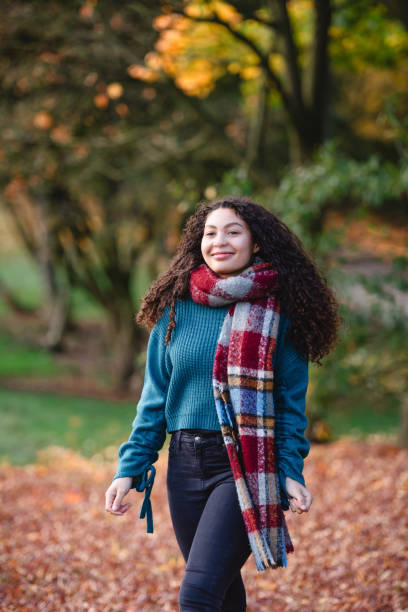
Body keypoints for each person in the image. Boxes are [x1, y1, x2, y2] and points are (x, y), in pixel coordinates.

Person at [105, 196, 341, 611]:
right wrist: (130, 468)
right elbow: (155, 400)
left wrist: (289, 471)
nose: (220, 241)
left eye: (233, 231)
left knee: (196, 595)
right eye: (210, 232)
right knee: (222, 593)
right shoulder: (174, 308)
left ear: (255, 243)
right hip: (184, 465)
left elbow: (288, 409)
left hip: (244, 466)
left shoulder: (279, 315)